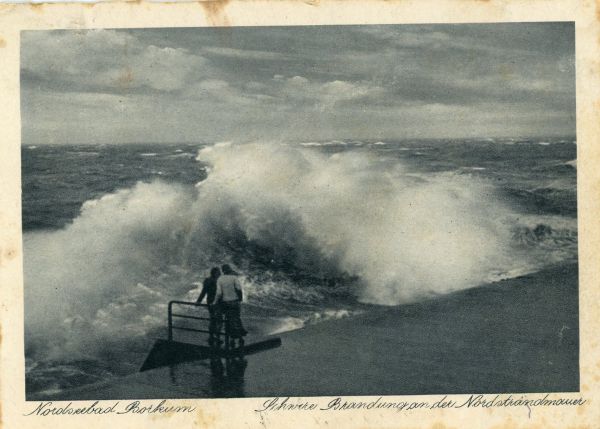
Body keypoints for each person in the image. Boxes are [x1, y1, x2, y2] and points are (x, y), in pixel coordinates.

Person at [215, 264, 247, 347]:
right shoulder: (234, 278)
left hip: (226, 303)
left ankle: (231, 339)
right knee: (236, 319)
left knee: (228, 321)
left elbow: (219, 293)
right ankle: (240, 338)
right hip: (235, 302)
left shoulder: (220, 279)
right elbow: (239, 289)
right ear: (229, 269)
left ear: (223, 271)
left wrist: (215, 302)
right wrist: (240, 299)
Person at [197, 267, 222, 346]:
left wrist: (199, 301)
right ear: (215, 273)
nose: (220, 273)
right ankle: (217, 336)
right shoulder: (217, 281)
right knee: (219, 320)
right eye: (218, 272)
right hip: (217, 302)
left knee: (212, 319)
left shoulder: (207, 280)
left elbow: (203, 292)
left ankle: (211, 336)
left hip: (210, 301)